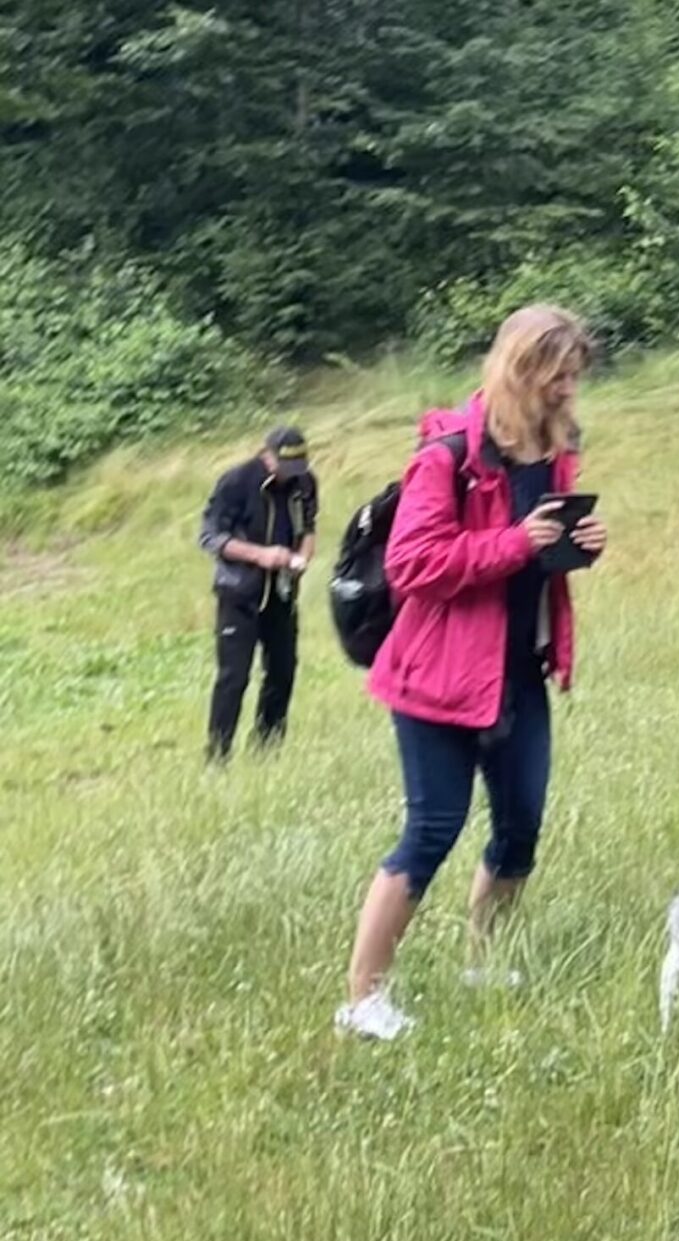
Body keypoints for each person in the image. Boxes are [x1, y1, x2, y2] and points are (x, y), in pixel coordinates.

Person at [336, 305, 608, 1041]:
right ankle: (364, 999)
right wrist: (517, 543)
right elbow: (413, 564)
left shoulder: (554, 451)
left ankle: (481, 962)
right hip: (437, 677)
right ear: (520, 369)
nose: (567, 390)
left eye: (574, 377)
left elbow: (539, 551)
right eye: (558, 376)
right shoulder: (448, 454)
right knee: (432, 828)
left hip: (519, 669)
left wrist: (579, 542)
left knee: (520, 827)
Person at [199, 424, 319, 761]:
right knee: (233, 677)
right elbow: (210, 537)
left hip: (281, 594)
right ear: (267, 456)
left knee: (283, 671)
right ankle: (218, 755)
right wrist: (260, 556)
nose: (289, 475)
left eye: (296, 467)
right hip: (240, 593)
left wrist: (302, 558)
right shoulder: (235, 482)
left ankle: (267, 751)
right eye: (284, 467)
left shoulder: (305, 483)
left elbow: (309, 527)